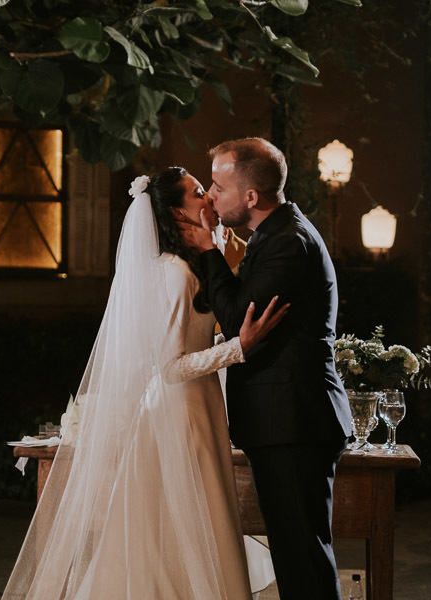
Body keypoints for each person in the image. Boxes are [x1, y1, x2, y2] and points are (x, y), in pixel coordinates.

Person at [1, 167, 286, 600]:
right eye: (198, 192)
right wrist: (238, 348)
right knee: (177, 527)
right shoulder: (173, 272)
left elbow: (188, 339)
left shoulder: (188, 265)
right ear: (177, 212)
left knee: (194, 523)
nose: (208, 197)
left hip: (197, 406)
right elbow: (169, 366)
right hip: (179, 412)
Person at [178, 137, 354, 600]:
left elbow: (238, 319)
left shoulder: (288, 243)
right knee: (296, 555)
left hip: (293, 419)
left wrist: (209, 250)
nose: (211, 196)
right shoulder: (273, 235)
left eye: (219, 187)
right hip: (285, 420)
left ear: (251, 196)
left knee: (303, 557)